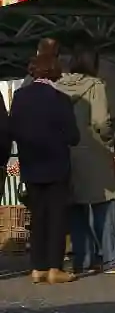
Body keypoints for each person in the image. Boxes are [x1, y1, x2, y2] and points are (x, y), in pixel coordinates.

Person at [58, 38, 115, 275]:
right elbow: (102, 122)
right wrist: (110, 140)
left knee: (77, 209)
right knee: (105, 206)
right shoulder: (96, 86)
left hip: (69, 155)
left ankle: (83, 261)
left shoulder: (59, 86)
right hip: (94, 154)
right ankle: (113, 260)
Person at [10, 42, 79, 284]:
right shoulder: (60, 98)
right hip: (57, 165)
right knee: (57, 217)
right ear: (54, 72)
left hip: (31, 165)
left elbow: (13, 129)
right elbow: (73, 136)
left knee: (37, 217)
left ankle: (37, 268)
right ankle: (54, 268)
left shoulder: (19, 97)